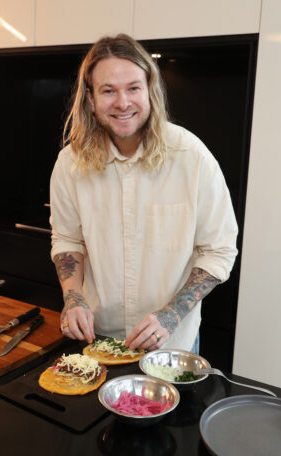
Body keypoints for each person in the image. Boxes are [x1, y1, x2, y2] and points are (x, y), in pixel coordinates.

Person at [49, 33, 238, 354]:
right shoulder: (71, 162)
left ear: (150, 91)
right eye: (108, 91)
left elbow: (219, 251)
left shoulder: (191, 156)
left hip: (171, 341)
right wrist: (74, 298)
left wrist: (171, 315)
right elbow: (67, 239)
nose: (122, 102)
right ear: (91, 99)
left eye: (133, 88)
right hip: (99, 336)